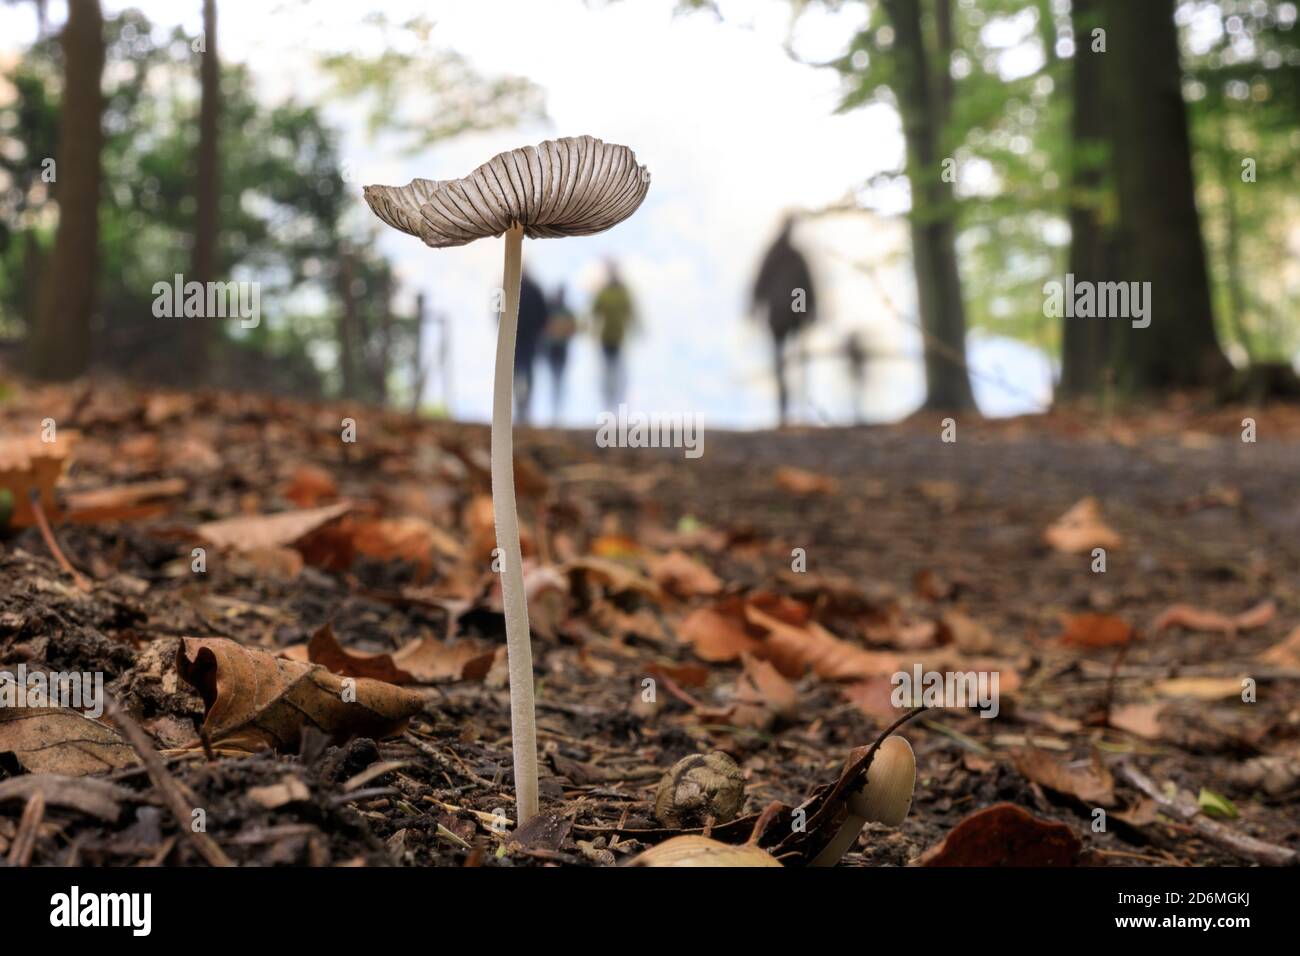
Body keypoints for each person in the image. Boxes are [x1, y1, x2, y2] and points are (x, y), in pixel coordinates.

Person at [750, 214, 817, 426]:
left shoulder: (791, 256)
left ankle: (796, 412)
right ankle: (785, 413)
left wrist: (808, 310)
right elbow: (761, 283)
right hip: (782, 315)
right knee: (784, 364)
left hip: (791, 315)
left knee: (794, 362)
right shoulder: (779, 255)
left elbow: (805, 286)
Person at [590, 261, 637, 409]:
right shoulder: (604, 292)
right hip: (606, 338)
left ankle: (617, 403)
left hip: (618, 337)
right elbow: (595, 311)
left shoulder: (622, 292)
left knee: (617, 372)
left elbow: (630, 313)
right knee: (608, 372)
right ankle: (608, 403)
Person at [512, 270, 550, 424]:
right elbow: (544, 315)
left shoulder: (534, 289)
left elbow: (543, 314)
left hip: (525, 339)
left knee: (523, 371)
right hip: (521, 339)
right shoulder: (508, 287)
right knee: (520, 371)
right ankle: (521, 405)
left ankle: (524, 406)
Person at [541, 284, 577, 424]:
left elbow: (572, 329)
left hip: (561, 351)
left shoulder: (566, 312)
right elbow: (544, 329)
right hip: (552, 351)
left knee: (559, 381)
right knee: (555, 380)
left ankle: (557, 412)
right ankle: (554, 411)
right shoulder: (551, 311)